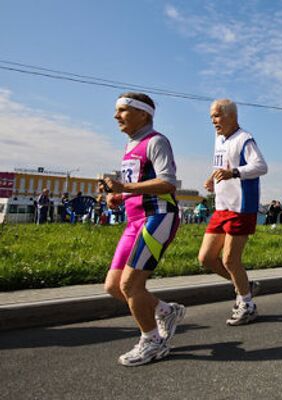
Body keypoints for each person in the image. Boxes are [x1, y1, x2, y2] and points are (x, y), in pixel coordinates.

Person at [100, 92, 185, 367]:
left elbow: (168, 183)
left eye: (123, 110)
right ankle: (165, 311)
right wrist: (120, 197)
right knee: (114, 286)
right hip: (133, 220)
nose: (116, 116)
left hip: (158, 217)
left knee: (131, 285)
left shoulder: (156, 141)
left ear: (143, 114)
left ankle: (152, 342)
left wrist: (124, 188)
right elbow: (136, 185)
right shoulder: (130, 145)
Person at [198, 99, 268, 326]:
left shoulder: (244, 138)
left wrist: (235, 173)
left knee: (229, 259)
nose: (213, 121)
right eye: (211, 117)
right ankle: (245, 287)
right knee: (206, 258)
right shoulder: (218, 139)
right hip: (221, 206)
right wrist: (213, 177)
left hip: (241, 206)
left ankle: (247, 304)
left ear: (231, 116)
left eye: (217, 116)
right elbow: (221, 165)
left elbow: (261, 166)